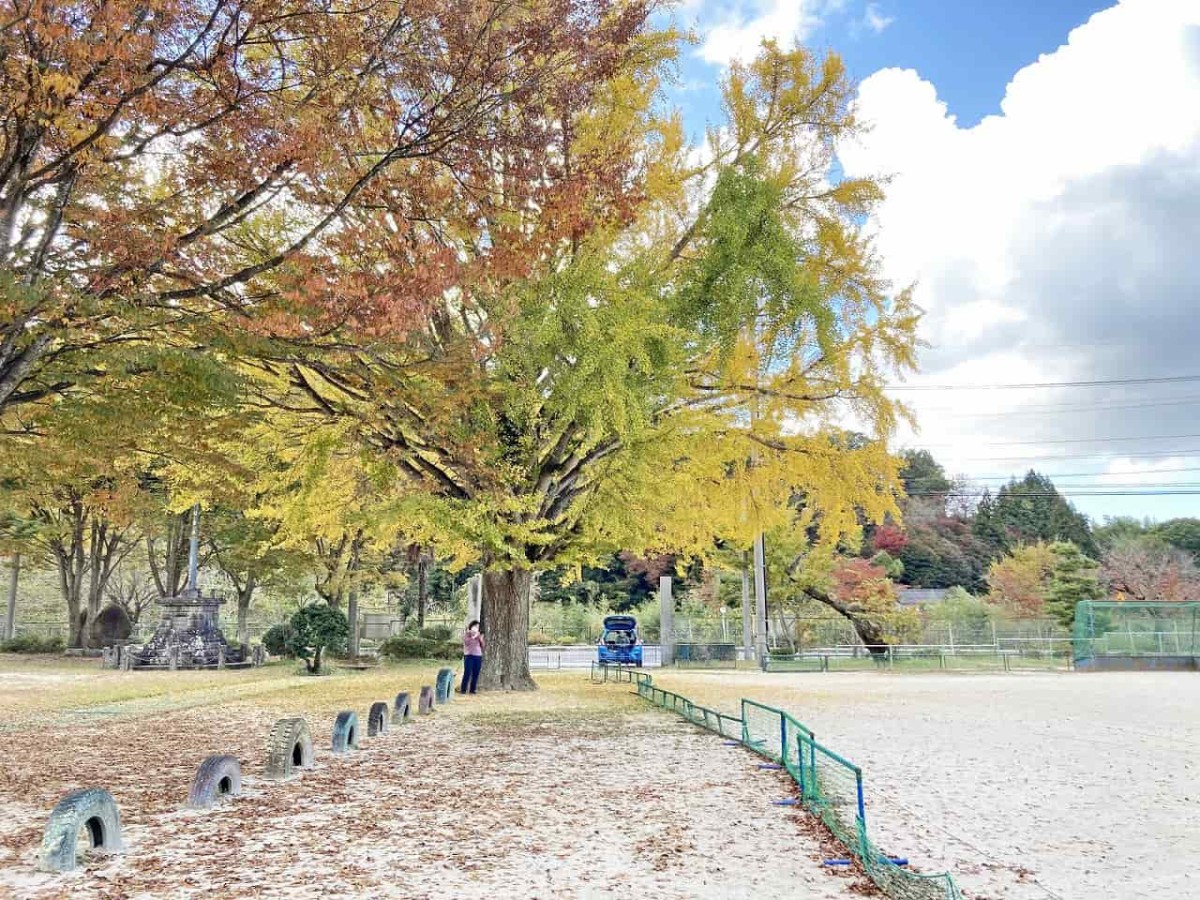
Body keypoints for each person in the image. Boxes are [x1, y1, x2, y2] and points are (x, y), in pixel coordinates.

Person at [460, 620, 484, 694]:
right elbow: (467, 643)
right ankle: (463, 690)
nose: (476, 628)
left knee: (475, 673)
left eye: (477, 627)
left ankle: (472, 690)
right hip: (469, 656)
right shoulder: (467, 634)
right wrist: (473, 636)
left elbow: (483, 646)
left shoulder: (479, 635)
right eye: (475, 626)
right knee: (467, 672)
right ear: (471, 627)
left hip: (478, 656)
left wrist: (481, 639)